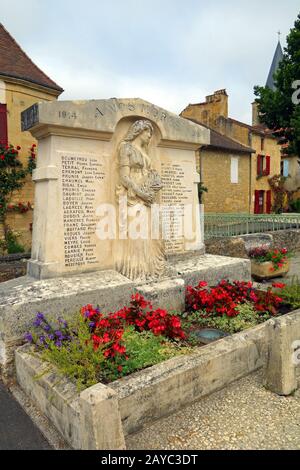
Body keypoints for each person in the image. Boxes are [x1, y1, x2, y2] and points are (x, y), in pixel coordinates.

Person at [115, 119, 166, 281]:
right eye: (148, 132)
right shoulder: (125, 148)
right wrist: (141, 193)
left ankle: (151, 269)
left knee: (153, 234)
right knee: (139, 235)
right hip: (134, 196)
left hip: (148, 196)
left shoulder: (145, 153)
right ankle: (138, 272)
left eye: (151, 133)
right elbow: (124, 177)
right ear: (139, 131)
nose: (150, 136)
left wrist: (153, 186)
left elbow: (150, 174)